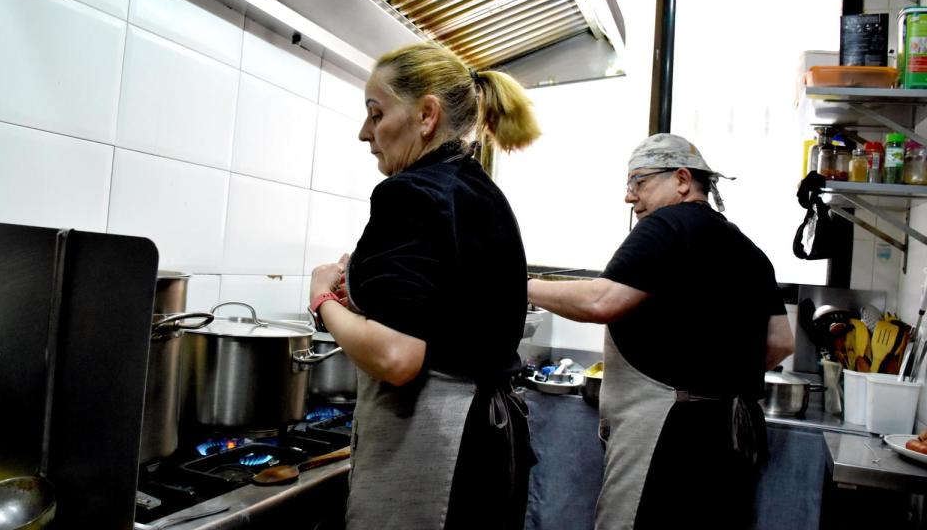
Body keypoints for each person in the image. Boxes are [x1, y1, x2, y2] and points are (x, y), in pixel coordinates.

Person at [308, 42, 541, 530]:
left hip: (436, 453)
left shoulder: (410, 193)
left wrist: (322, 298)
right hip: (489, 448)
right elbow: (444, 310)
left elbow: (397, 357)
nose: (365, 132)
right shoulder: (478, 189)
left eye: (376, 113)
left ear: (427, 115)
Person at [527, 133, 794, 530]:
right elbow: (781, 342)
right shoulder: (748, 248)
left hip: (667, 434)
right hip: (733, 435)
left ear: (682, 180)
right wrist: (716, 376)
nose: (629, 197)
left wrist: (520, 285)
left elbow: (601, 301)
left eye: (639, 181)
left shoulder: (666, 225)